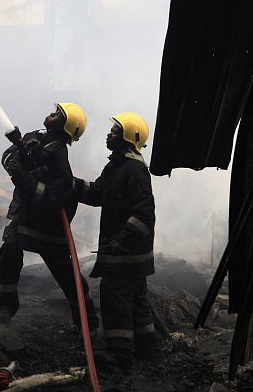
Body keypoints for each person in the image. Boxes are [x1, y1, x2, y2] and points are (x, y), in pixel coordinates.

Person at [0, 103, 99, 335]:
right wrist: (18, 155)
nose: (51, 114)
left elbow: (51, 198)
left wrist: (23, 176)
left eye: (57, 115)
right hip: (23, 217)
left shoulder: (60, 159)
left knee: (66, 275)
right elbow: (7, 156)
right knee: (8, 254)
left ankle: (86, 319)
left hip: (49, 226)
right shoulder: (34, 137)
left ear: (65, 128)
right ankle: (5, 307)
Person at [75, 112, 160, 369]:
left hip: (126, 253)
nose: (109, 134)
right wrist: (71, 185)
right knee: (136, 299)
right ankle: (148, 349)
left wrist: (122, 240)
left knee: (115, 298)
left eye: (114, 131)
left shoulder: (134, 170)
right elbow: (98, 194)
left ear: (127, 138)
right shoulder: (117, 167)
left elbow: (144, 211)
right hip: (129, 253)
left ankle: (120, 354)